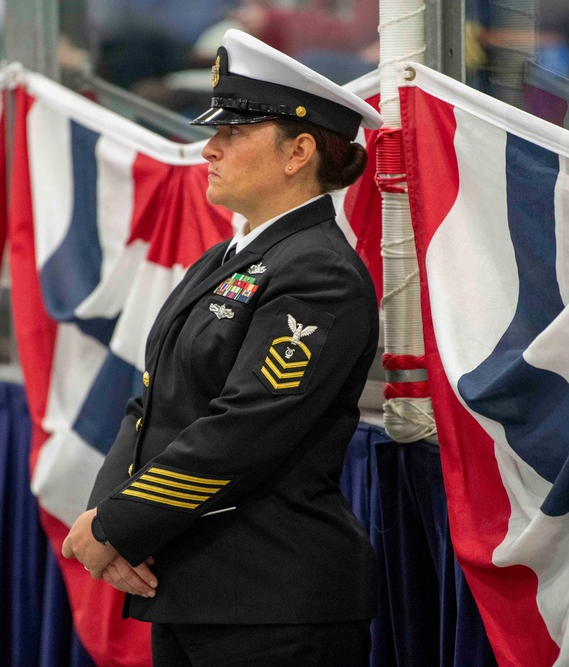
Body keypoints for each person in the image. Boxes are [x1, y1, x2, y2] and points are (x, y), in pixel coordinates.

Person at [61, 28, 383, 666]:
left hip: (271, 599)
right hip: (191, 584)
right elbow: (151, 399)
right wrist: (105, 513)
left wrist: (118, 528)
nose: (209, 148)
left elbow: (246, 428)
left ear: (298, 152)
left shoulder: (320, 272)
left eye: (233, 134)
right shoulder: (226, 258)